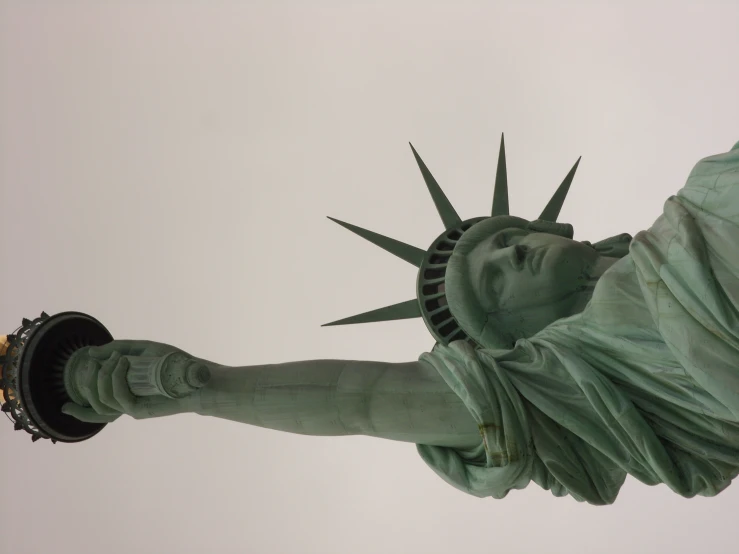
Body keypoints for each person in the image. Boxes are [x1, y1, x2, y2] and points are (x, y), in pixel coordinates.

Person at [62, 139, 739, 505]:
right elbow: (360, 400)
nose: (511, 254)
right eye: (495, 282)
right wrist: (204, 389)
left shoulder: (704, 193)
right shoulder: (578, 380)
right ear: (515, 344)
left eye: (503, 243)